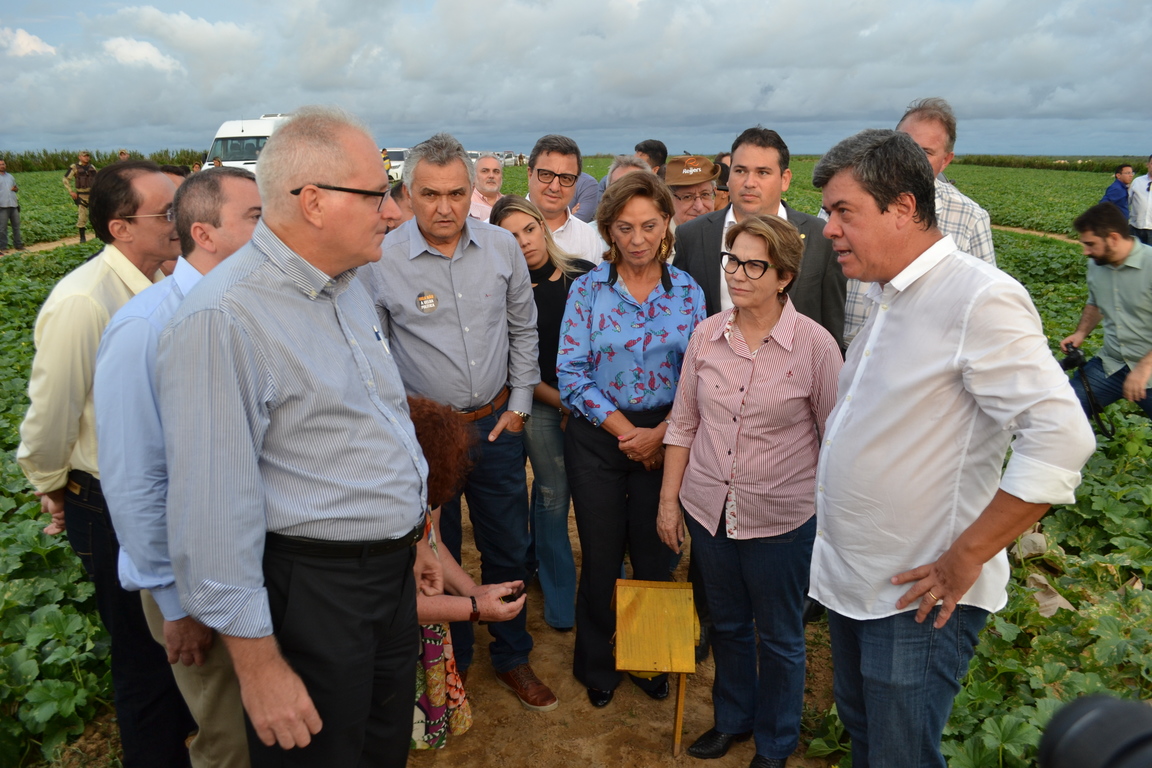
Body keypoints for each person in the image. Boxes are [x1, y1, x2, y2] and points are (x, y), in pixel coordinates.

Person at [157, 106, 439, 767]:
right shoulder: (222, 319)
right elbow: (211, 513)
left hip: (387, 581)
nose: (393, 213)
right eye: (378, 195)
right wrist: (259, 669)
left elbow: (377, 423)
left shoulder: (347, 285)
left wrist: (415, 535)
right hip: (315, 593)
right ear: (312, 201)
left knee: (379, 747)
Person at [811, 128, 1095, 768]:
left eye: (844, 211)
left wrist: (965, 556)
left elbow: (1062, 435)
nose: (829, 229)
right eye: (830, 212)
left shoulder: (978, 298)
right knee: (867, 735)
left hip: (918, 600)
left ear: (904, 207)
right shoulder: (890, 295)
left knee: (900, 755)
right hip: (858, 582)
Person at [366, 133, 558, 713]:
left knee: (507, 542)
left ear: (472, 190)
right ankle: (452, 659)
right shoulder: (381, 259)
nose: (444, 207)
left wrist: (520, 405)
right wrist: (407, 430)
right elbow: (374, 352)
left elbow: (524, 331)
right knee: (434, 552)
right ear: (406, 193)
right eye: (429, 194)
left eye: (456, 193)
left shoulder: (501, 248)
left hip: (496, 424)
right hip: (424, 439)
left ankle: (513, 653)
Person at [18, 159, 193, 766]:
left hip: (167, 492)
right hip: (111, 499)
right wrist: (51, 483)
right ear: (121, 228)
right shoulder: (83, 301)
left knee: (182, 642)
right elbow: (51, 412)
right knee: (145, 656)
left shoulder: (166, 282)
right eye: (165, 213)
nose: (180, 222)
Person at [658, 214, 841, 768]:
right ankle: (733, 720)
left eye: (753, 264)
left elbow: (834, 440)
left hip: (781, 520)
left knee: (781, 638)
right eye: (732, 260)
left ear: (784, 275)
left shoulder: (815, 348)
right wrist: (669, 501)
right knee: (730, 625)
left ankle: (776, 743)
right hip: (709, 511)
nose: (737, 274)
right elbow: (683, 423)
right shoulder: (707, 336)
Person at [94, 167, 262, 768]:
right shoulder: (145, 328)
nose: (272, 233)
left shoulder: (248, 309)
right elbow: (134, 478)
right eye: (255, 219)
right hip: (196, 581)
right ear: (205, 233)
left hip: (250, 563)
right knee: (229, 740)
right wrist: (173, 602)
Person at [557, 171, 706, 708]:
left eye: (649, 225)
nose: (638, 238)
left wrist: (660, 435)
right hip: (601, 439)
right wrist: (628, 434)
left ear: (666, 224)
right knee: (600, 554)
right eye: (625, 227)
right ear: (609, 230)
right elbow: (571, 373)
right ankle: (598, 664)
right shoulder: (587, 290)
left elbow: (698, 374)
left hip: (667, 436)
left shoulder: (688, 291)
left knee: (655, 554)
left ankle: (649, 660)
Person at [490, 194, 595, 634]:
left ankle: (591, 581)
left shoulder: (584, 275)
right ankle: (559, 604)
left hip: (591, 404)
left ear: (543, 228)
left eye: (529, 229)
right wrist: (565, 402)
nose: (524, 241)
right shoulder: (500, 289)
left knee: (596, 497)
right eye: (511, 236)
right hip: (541, 403)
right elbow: (517, 365)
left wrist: (587, 403)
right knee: (554, 493)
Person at [406, 396, 527, 751]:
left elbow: (434, 544)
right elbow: (396, 604)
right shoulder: (377, 517)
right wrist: (475, 607)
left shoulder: (424, 481)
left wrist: (474, 589)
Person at [835, 98, 998, 347]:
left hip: (916, 361)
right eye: (903, 145)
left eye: (926, 152)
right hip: (841, 348)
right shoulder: (844, 200)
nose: (908, 159)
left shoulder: (970, 217)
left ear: (946, 161)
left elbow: (985, 303)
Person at [675, 127, 846, 349]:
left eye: (762, 173)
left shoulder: (820, 236)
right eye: (740, 171)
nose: (749, 182)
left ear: (785, 179)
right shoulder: (692, 235)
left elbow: (831, 326)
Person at [1061, 202, 1152, 418]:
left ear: (1113, 238)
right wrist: (1081, 333)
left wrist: (1143, 368)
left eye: (1090, 244)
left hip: (1149, 369)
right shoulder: (1097, 264)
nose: (1085, 251)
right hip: (1111, 364)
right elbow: (1095, 302)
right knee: (1063, 413)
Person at [527, 134, 604, 264]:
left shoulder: (589, 238)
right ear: (530, 174)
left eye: (566, 178)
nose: (555, 187)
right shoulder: (497, 230)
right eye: (546, 175)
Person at [665, 155, 720, 228]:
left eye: (705, 194)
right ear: (669, 199)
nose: (699, 207)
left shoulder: (727, 235)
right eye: (687, 197)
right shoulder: (657, 237)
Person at [63, 150, 97, 242]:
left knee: (95, 216)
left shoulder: (92, 167)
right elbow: (65, 179)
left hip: (93, 195)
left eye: (87, 156)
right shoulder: (74, 167)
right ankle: (82, 238)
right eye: (84, 156)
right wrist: (71, 191)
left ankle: (97, 236)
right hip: (81, 195)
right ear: (80, 157)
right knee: (82, 217)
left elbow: (97, 179)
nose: (86, 157)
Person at [469, 152, 504, 220]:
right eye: (485, 171)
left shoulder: (509, 203)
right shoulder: (467, 203)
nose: (491, 176)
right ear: (474, 175)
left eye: (496, 171)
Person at [0, 159, 23, 254]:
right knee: (2, 228)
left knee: (16, 226)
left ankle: (18, 245)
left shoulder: (10, 176)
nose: (2, 166)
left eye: (3, 164)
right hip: (2, 205)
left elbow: (16, 188)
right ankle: (3, 247)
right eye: (0, 164)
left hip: (13, 204)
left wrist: (15, 188)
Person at [1129, 156, 1152, 245]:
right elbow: (1127, 201)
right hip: (1135, 228)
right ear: (1148, 165)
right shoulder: (1137, 181)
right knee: (1133, 255)